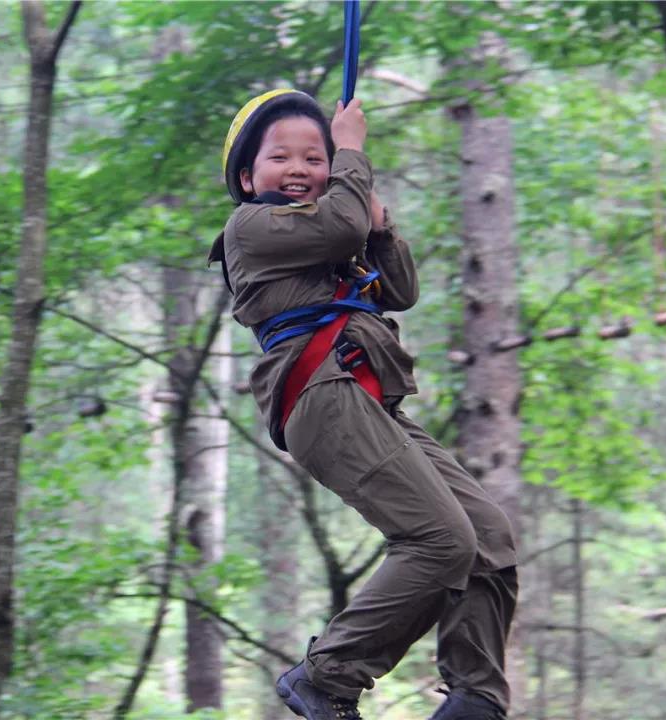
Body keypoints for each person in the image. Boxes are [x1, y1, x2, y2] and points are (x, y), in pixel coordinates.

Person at [208, 89, 518, 720]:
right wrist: (350, 152)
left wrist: (381, 225)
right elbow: (341, 222)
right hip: (321, 394)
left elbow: (398, 289)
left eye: (315, 157)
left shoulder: (332, 229)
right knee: (438, 540)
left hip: (365, 398)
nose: (300, 169)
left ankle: (475, 695)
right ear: (248, 177)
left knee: (486, 535)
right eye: (281, 158)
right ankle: (327, 677)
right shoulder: (252, 228)